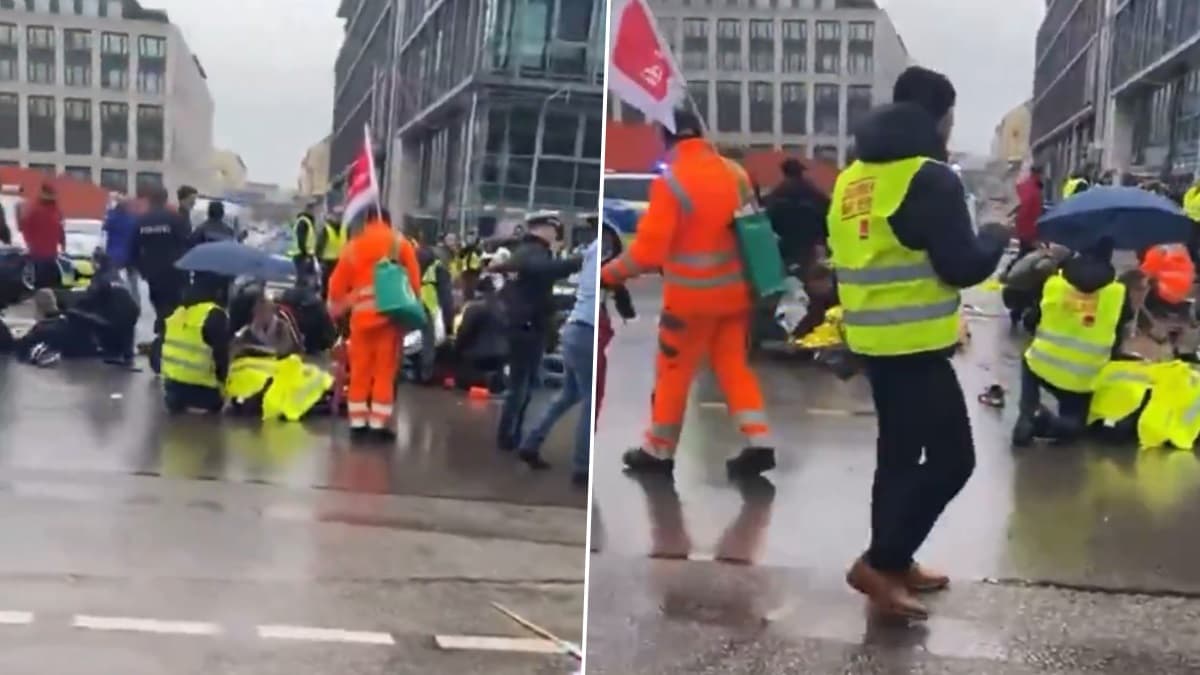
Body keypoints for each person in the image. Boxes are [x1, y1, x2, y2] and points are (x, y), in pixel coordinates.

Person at [827, 66, 1010, 619]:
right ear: (944, 119)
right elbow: (961, 267)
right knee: (954, 461)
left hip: (873, 343)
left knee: (899, 459)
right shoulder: (930, 177)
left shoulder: (853, 177)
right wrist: (998, 233)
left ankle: (895, 563)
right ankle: (880, 561)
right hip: (914, 347)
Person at [601, 109, 774, 478]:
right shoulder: (735, 172)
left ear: (666, 139)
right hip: (736, 294)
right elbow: (752, 228)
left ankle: (659, 450)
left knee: (674, 371)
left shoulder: (671, 182)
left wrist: (608, 275)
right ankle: (758, 441)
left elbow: (648, 252)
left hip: (690, 301)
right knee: (734, 367)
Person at [1013, 239, 1131, 447]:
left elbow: (1030, 321)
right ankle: (1058, 424)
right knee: (1074, 426)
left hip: (1042, 364)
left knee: (1028, 359)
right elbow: (1120, 335)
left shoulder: (1054, 283)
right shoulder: (1119, 293)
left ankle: (1027, 415)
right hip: (1084, 378)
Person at [489, 214, 583, 452]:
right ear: (541, 229)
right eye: (553, 229)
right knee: (521, 386)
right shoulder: (532, 251)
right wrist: (579, 261)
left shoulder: (528, 250)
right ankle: (509, 436)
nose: (555, 234)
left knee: (526, 383)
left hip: (528, 324)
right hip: (526, 326)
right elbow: (544, 270)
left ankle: (512, 434)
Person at [327, 207, 422, 438]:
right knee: (384, 374)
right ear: (388, 220)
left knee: (359, 371)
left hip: (361, 320)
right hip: (390, 320)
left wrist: (337, 309)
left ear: (366, 221)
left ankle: (357, 424)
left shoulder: (353, 246)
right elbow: (414, 283)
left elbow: (336, 285)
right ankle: (378, 425)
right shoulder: (400, 245)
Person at [516, 237, 598, 484]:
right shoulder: (604, 250)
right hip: (588, 330)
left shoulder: (591, 249)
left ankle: (531, 442)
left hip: (575, 328)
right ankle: (583, 467)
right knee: (589, 401)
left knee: (569, 395)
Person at [160, 271, 230, 414]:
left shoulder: (175, 312)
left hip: (173, 392)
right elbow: (222, 360)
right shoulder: (214, 314)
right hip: (205, 395)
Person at [130, 187, 191, 341]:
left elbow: (134, 248)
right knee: (173, 305)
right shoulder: (174, 219)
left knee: (159, 303)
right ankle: (168, 333)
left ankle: (163, 329)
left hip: (153, 272)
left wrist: (142, 269)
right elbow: (185, 243)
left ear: (150, 200)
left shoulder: (142, 221)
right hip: (174, 271)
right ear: (165, 200)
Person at [765, 157, 831, 272]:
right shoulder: (812, 190)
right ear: (801, 172)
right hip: (811, 242)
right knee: (813, 274)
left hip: (787, 243)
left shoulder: (777, 193)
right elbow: (828, 210)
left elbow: (768, 218)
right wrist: (823, 236)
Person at [452, 275, 508, 393]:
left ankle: (484, 380)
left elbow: (464, 333)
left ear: (478, 291)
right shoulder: (503, 307)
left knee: (461, 377)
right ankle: (496, 380)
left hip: (478, 356)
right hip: (502, 355)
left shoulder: (474, 307)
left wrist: (456, 350)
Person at [414, 242, 455, 383]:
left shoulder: (417, 258)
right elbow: (447, 299)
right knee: (429, 340)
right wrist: (449, 326)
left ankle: (396, 372)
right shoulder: (440, 267)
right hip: (426, 303)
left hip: (408, 299)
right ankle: (426, 375)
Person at [18, 184, 65, 289]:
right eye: (49, 194)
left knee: (53, 281)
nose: (51, 197)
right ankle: (41, 299)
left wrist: (62, 242)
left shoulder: (56, 210)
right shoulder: (34, 209)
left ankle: (50, 299)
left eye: (52, 194)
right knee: (41, 281)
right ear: (43, 193)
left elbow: (60, 228)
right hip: (38, 253)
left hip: (52, 252)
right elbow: (26, 227)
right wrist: (30, 243)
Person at [102, 197, 140, 308]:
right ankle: (136, 305)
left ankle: (114, 304)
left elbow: (105, 228)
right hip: (132, 255)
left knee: (113, 281)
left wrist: (109, 211)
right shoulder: (133, 218)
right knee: (134, 283)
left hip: (115, 255)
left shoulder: (112, 218)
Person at [315, 208, 347, 299]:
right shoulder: (326, 230)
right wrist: (319, 260)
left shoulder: (344, 229)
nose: (338, 218)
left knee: (339, 286)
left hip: (340, 262)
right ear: (331, 216)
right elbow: (319, 246)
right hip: (327, 262)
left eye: (340, 216)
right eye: (336, 216)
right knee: (326, 285)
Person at [1012, 165, 1044, 256]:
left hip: (1027, 230)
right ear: (1038, 174)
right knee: (1026, 255)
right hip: (1029, 230)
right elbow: (1025, 209)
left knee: (1025, 254)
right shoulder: (1033, 189)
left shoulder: (1026, 186)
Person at [288, 201, 320, 286]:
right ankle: (300, 296)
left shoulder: (307, 221)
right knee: (303, 279)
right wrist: (305, 254)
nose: (315, 212)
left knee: (308, 278)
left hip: (305, 255)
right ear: (309, 210)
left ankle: (304, 294)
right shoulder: (304, 221)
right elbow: (301, 239)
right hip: (302, 255)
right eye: (314, 210)